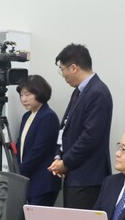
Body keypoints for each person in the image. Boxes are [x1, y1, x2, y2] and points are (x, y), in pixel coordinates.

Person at [47, 43, 113, 209]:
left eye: (62, 69)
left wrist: (66, 162)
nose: (62, 75)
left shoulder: (98, 92)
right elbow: (65, 127)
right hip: (75, 174)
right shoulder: (79, 91)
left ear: (74, 68)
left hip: (88, 178)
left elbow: (90, 137)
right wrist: (58, 156)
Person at [16, 75, 60, 206]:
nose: (23, 99)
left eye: (27, 94)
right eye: (21, 95)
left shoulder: (48, 116)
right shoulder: (26, 116)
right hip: (28, 178)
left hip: (42, 181)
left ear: (39, 93)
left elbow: (39, 151)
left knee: (38, 217)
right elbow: (20, 145)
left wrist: (19, 172)